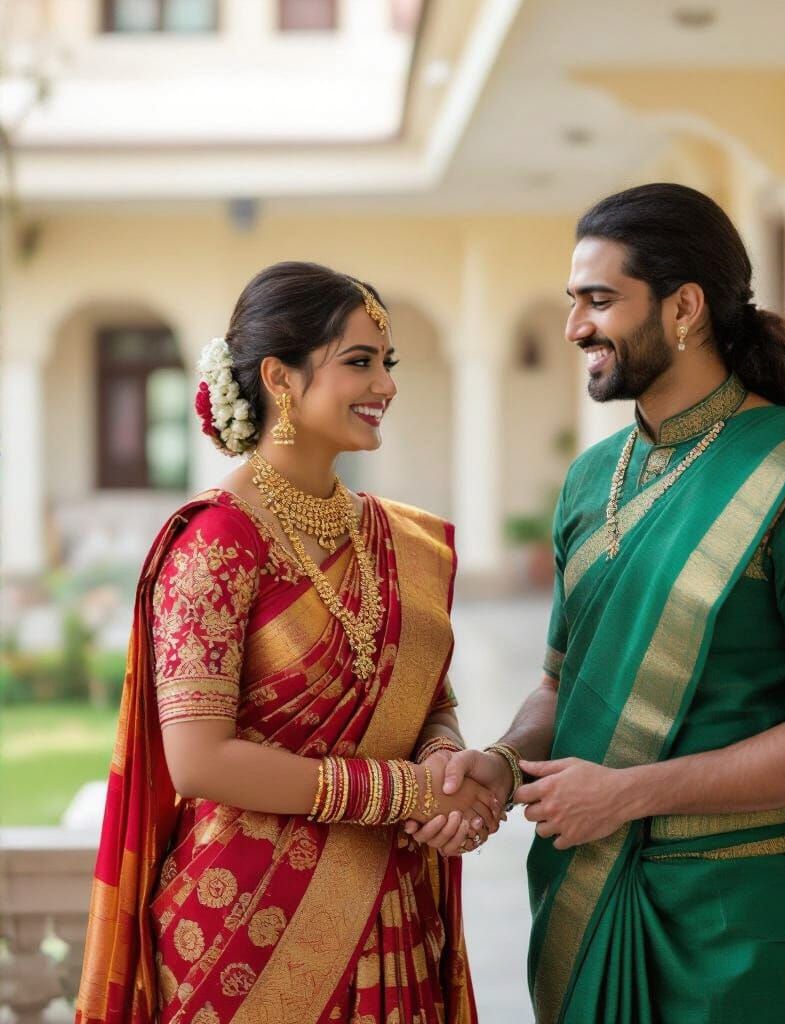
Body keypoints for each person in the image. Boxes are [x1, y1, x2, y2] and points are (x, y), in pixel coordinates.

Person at [430, 184, 785, 1023]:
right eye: (572, 301)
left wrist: (628, 793)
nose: (574, 328)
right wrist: (505, 763)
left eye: (599, 300)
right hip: (590, 907)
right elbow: (560, 684)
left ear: (685, 306)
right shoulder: (592, 480)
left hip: (748, 931)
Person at [75, 261, 502, 1024]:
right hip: (243, 934)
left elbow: (426, 698)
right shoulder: (215, 542)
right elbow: (198, 759)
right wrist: (401, 791)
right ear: (281, 377)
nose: (387, 387)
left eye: (388, 364)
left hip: (392, 908)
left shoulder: (395, 537)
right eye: (360, 363)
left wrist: (441, 760)